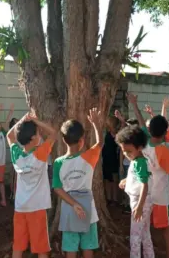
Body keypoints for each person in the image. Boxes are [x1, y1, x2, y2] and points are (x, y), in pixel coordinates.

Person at [127, 92, 169, 258]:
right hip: (161, 195)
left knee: (145, 229)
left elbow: (141, 122)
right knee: (166, 228)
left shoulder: (144, 142)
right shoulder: (163, 150)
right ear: (165, 133)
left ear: (149, 130)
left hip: (145, 193)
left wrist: (134, 104)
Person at [52, 108, 103, 258]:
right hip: (88, 208)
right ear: (82, 140)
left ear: (63, 139)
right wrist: (96, 124)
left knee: (71, 248)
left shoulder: (58, 162)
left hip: (69, 208)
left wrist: (74, 204)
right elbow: (100, 143)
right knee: (88, 246)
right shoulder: (89, 158)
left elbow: (57, 188)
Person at [6, 112, 56, 258]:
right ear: (34, 137)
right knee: (41, 247)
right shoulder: (40, 153)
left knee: (18, 245)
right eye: (38, 132)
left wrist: (22, 120)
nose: (40, 134)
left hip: (20, 207)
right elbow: (53, 134)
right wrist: (35, 120)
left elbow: (10, 136)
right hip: (37, 207)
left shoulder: (16, 155)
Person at [117, 125, 154, 258]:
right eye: (124, 151)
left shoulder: (139, 162)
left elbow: (145, 185)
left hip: (140, 201)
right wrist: (127, 180)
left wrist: (138, 207)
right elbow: (139, 176)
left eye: (129, 151)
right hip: (143, 201)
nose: (126, 155)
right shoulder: (139, 159)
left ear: (139, 147)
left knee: (135, 237)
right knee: (144, 234)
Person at [102, 115, 120, 205]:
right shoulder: (106, 133)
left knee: (114, 180)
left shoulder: (116, 133)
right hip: (106, 159)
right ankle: (109, 198)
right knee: (107, 180)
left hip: (113, 159)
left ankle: (115, 199)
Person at [9, 118, 19, 201]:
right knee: (14, 178)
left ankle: (15, 194)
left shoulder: (20, 134)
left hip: (21, 160)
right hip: (15, 160)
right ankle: (13, 194)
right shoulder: (12, 136)